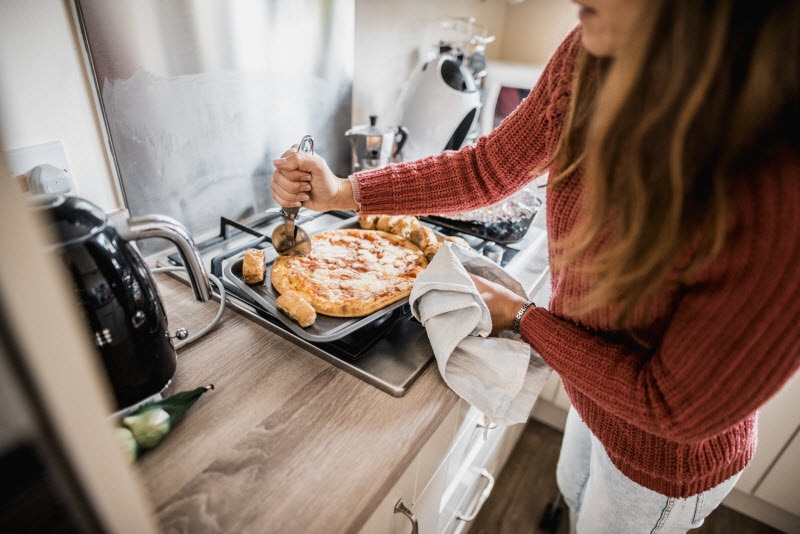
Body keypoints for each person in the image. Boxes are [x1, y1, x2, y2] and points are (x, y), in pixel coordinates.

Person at [272, 0, 800, 532]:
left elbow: (667, 405)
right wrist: (345, 191)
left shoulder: (776, 192)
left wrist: (526, 319)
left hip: (663, 455)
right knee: (573, 490)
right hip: (596, 390)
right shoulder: (593, 54)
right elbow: (488, 168)